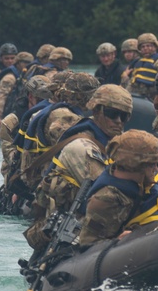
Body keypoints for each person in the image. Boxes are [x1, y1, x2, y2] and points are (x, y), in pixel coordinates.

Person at [23, 84, 133, 251]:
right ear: (96, 111)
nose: (118, 121)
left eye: (123, 116)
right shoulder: (82, 147)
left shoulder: (109, 143)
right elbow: (110, 196)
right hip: (71, 231)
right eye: (112, 114)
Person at [77, 131, 158, 245]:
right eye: (152, 164)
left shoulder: (139, 181)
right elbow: (87, 245)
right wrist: (117, 242)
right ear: (136, 166)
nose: (156, 169)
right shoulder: (105, 199)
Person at [0, 51, 33, 129]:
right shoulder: (9, 78)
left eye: (29, 63)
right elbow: (1, 97)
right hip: (8, 113)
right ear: (18, 63)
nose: (27, 65)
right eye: (24, 62)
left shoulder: (23, 76)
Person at [126, 33, 158, 99]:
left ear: (155, 47)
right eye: (143, 47)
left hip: (154, 97)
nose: (145, 48)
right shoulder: (138, 63)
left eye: (148, 46)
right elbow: (132, 82)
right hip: (138, 96)